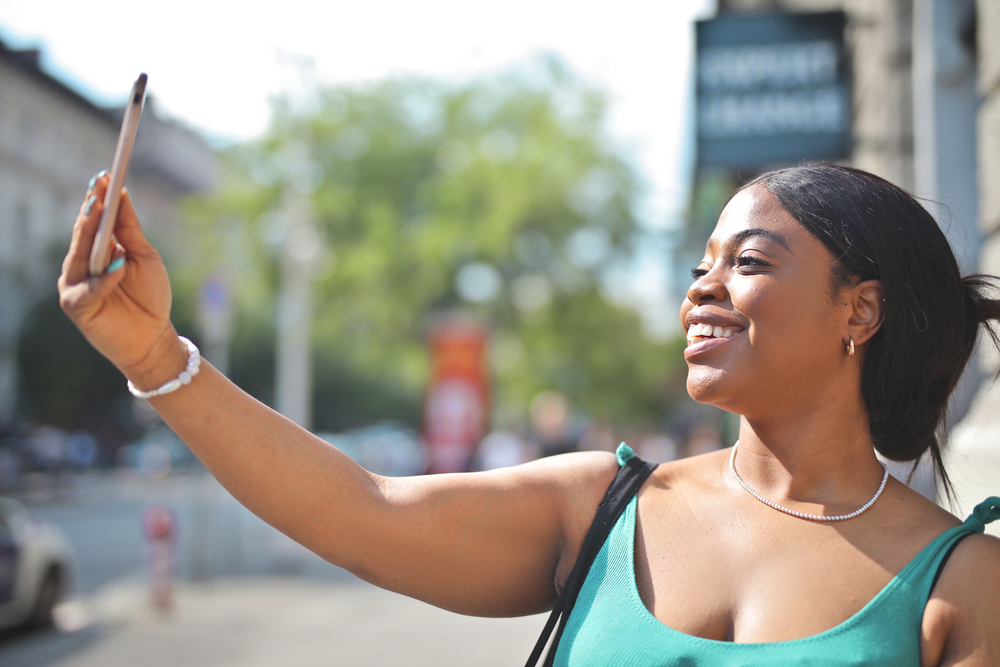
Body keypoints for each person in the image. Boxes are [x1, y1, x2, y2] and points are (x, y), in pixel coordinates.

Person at [59, 164, 999, 665]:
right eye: (699, 264)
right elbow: (359, 509)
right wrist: (155, 357)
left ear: (858, 311)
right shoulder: (604, 508)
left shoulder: (962, 587)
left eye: (747, 262)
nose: (702, 290)